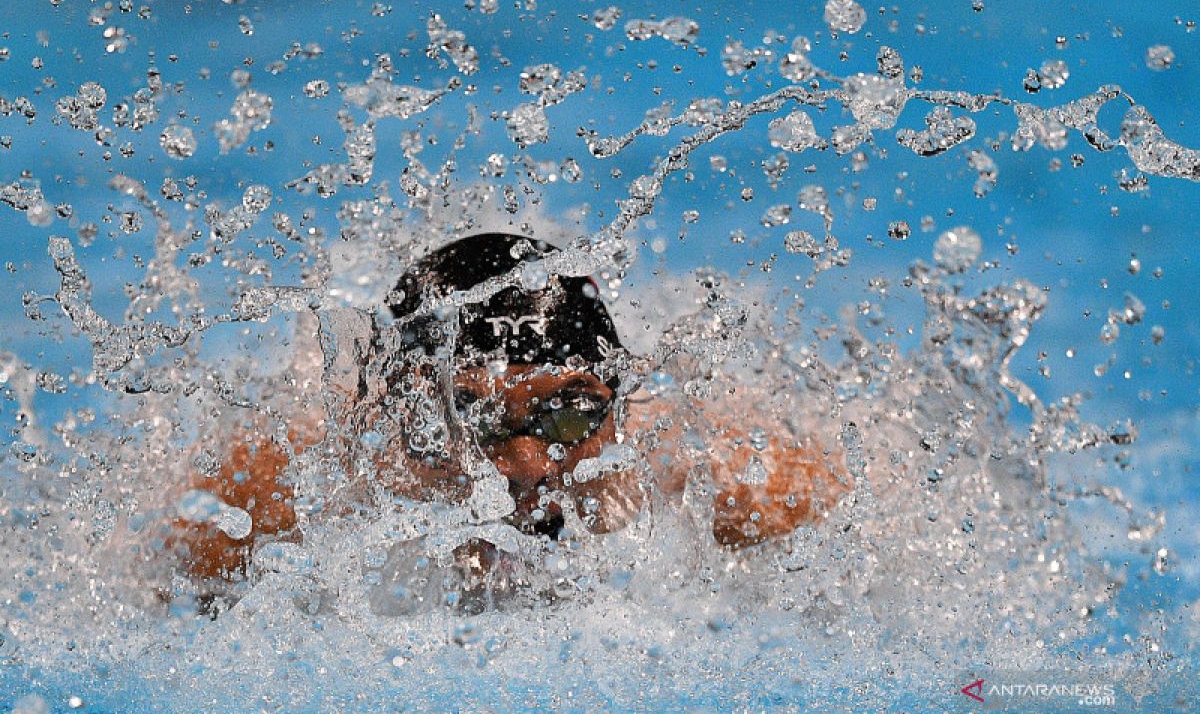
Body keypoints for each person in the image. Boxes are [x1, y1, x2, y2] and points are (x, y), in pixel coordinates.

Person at [169, 233, 849, 597]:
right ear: (402, 419)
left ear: (615, 408)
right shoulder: (267, 510)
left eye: (568, 414)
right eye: (473, 416)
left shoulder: (734, 487)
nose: (527, 466)